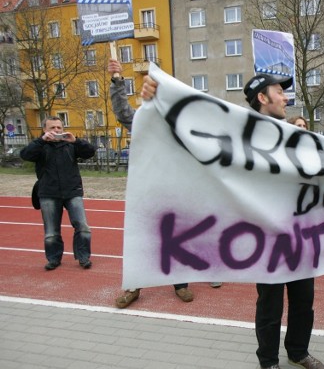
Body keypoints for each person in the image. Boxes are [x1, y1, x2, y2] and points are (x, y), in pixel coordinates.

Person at [243, 73, 324, 369]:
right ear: (263, 98)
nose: (285, 97)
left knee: (304, 299)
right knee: (270, 305)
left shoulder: (293, 138)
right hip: (267, 241)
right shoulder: (244, 136)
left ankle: (298, 352)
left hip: (300, 236)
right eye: (279, 91)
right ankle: (268, 362)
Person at [108, 58, 206, 308]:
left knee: (177, 237)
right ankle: (133, 286)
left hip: (175, 193)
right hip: (146, 193)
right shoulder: (142, 119)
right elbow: (122, 112)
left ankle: (181, 284)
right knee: (140, 239)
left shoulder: (182, 125)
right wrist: (117, 81)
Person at [20, 116, 96, 271]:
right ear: (45, 130)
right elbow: (25, 155)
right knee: (51, 231)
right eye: (52, 128)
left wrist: (76, 141)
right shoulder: (40, 146)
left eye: (58, 127)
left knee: (82, 225)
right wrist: (41, 140)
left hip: (72, 191)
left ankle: (83, 257)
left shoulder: (70, 144)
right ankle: (54, 258)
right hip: (48, 192)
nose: (56, 130)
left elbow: (90, 152)